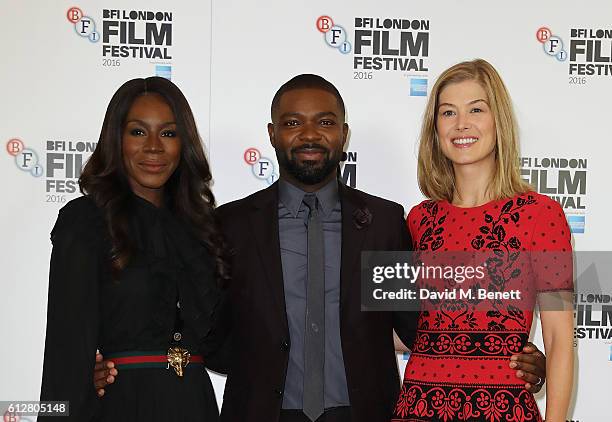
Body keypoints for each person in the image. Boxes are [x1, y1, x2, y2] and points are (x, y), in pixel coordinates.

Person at [93, 74, 549, 422]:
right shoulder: (229, 224)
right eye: (293, 123)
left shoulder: (386, 222)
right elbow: (194, 319)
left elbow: (419, 328)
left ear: (344, 134)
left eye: (325, 122)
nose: (309, 135)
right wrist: (112, 361)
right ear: (272, 133)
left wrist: (516, 356)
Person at [391, 59, 574, 422]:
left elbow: (559, 341)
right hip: (418, 407)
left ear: (497, 122)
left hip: (503, 410)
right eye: (448, 113)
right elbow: (401, 331)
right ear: (435, 128)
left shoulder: (541, 215)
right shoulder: (417, 219)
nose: (462, 124)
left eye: (476, 109)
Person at [39, 77, 228, 421]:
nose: (154, 147)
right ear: (116, 139)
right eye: (138, 132)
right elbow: (66, 351)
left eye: (169, 133)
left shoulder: (203, 228)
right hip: (121, 404)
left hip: (193, 405)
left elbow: (225, 345)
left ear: (183, 144)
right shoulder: (86, 221)